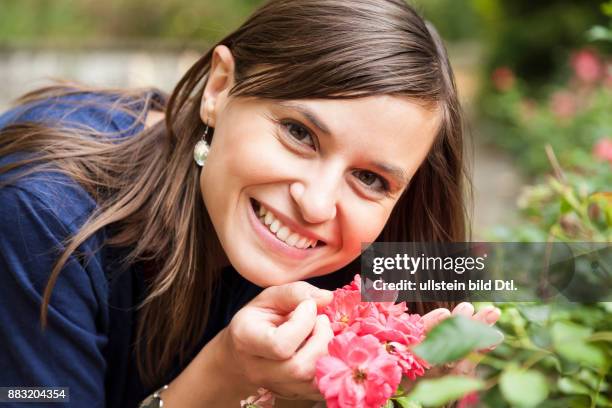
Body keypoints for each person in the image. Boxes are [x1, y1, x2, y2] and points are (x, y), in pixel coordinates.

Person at [0, 0, 500, 406]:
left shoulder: (377, 241)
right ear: (219, 89)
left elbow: (556, 277)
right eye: (299, 133)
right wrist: (226, 372)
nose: (317, 204)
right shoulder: (43, 221)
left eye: (369, 178)